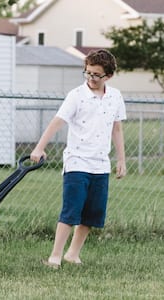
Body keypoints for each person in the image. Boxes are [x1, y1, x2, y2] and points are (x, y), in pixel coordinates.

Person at [30, 49, 127, 269]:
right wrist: (39, 147)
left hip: (101, 165)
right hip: (77, 162)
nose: (91, 78)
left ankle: (72, 254)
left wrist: (121, 160)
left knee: (92, 214)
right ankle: (55, 255)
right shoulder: (77, 95)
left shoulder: (115, 97)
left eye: (96, 75)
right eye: (88, 73)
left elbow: (117, 129)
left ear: (108, 76)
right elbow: (57, 121)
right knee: (71, 211)